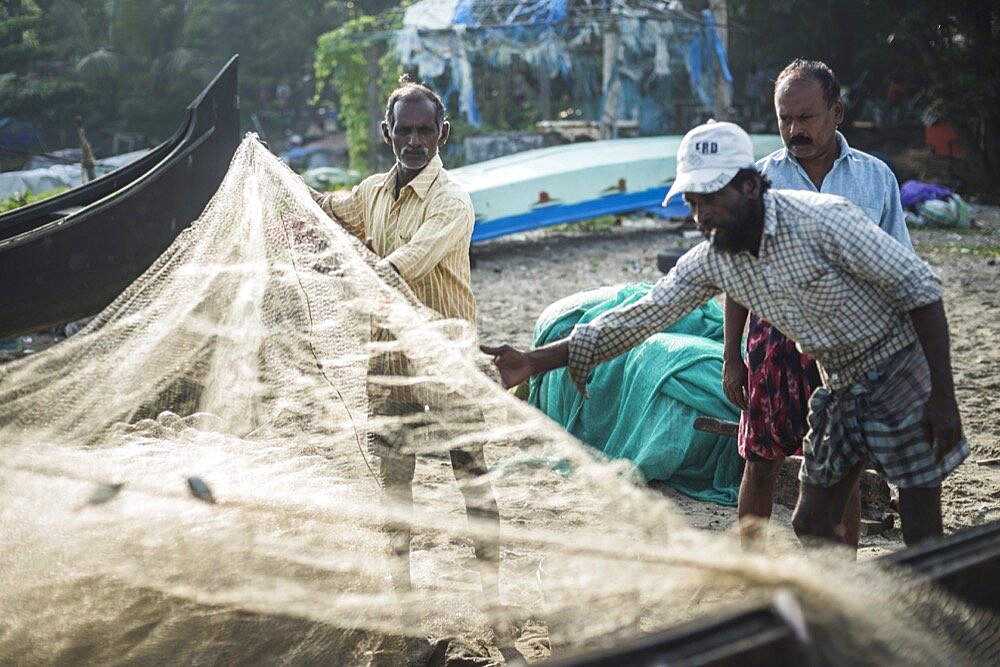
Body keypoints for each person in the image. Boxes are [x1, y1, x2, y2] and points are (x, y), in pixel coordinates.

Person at [483, 120, 968, 548]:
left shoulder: (824, 219)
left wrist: (942, 396)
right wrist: (535, 360)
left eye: (713, 198)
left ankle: (944, 613)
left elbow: (921, 290)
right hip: (837, 380)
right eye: (694, 203)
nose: (703, 216)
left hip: (899, 365)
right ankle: (838, 615)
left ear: (751, 187)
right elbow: (640, 317)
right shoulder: (714, 259)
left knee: (920, 515)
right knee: (810, 521)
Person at [310, 76, 499, 596]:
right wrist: (272, 175)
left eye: (425, 131)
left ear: (443, 134)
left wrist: (350, 273)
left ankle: (492, 598)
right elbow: (326, 208)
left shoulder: (452, 201)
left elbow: (404, 265)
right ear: (386, 134)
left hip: (446, 358)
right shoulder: (372, 191)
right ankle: (402, 598)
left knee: (472, 476)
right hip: (389, 357)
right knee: (395, 479)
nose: (415, 141)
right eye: (404, 131)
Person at [723, 59, 913, 550]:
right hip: (773, 341)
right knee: (760, 459)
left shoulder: (875, 179)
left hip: (850, 348)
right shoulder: (757, 183)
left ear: (837, 113)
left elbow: (902, 270)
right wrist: (732, 358)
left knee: (839, 464)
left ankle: (838, 575)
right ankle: (750, 572)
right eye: (785, 118)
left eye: (806, 117)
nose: (794, 129)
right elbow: (734, 278)